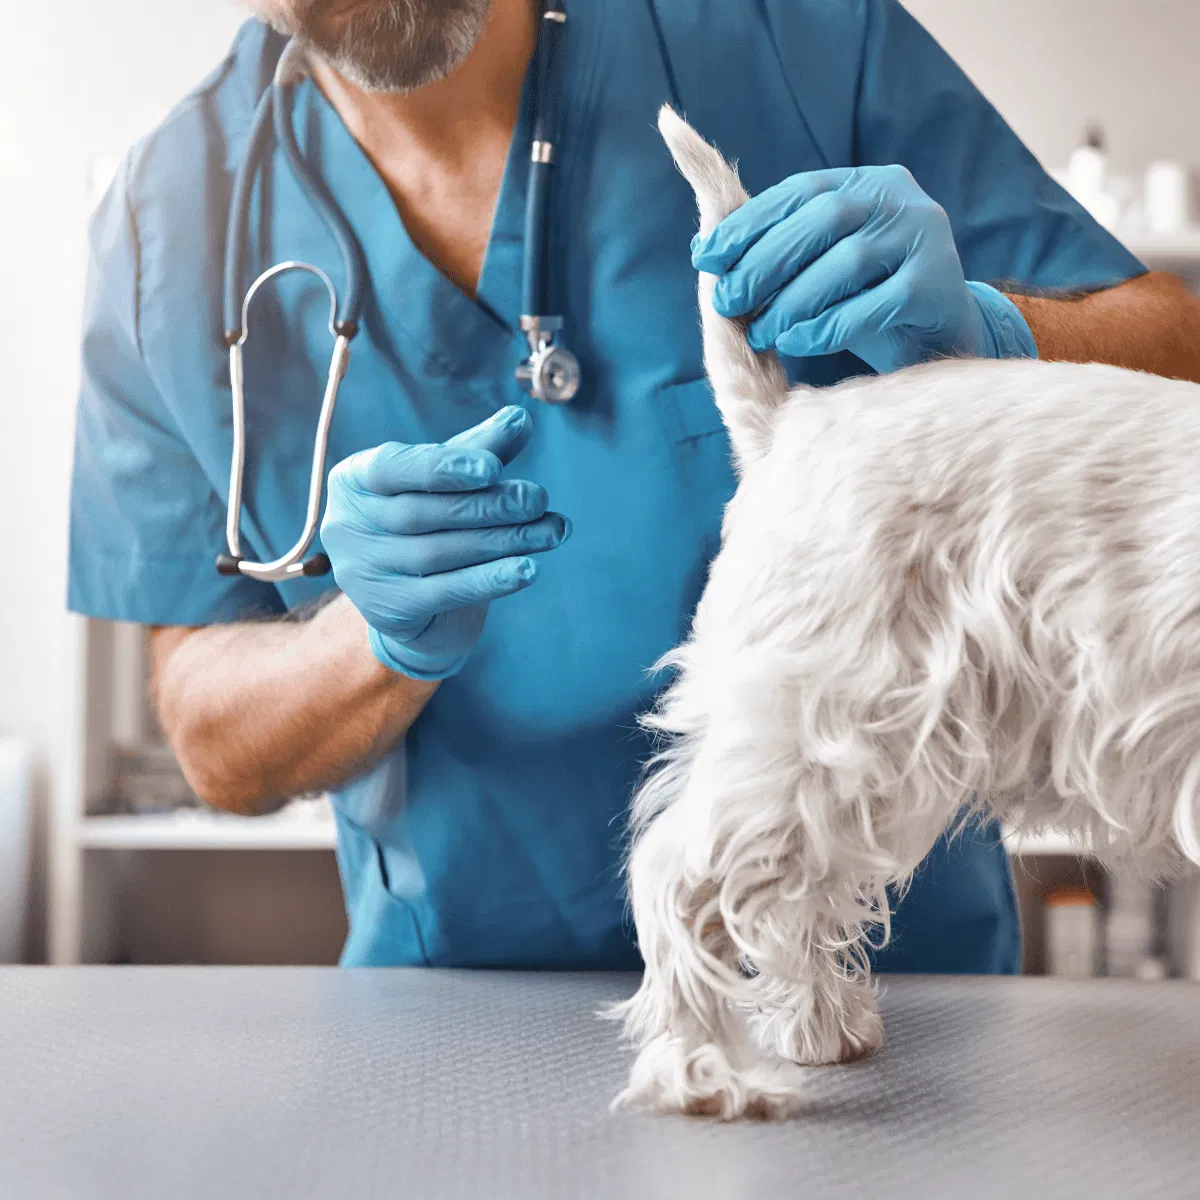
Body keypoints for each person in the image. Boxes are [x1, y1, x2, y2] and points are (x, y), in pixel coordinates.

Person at [69, 0, 1200, 971]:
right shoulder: (165, 229)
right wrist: (366, 639)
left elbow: (1176, 359)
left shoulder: (796, 39)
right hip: (462, 1013)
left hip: (892, 987)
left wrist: (1004, 339)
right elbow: (211, 738)